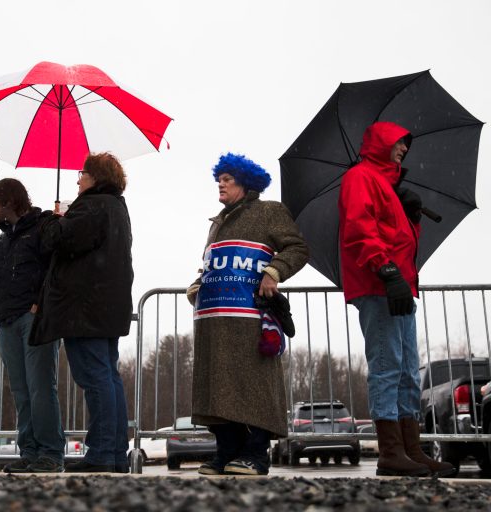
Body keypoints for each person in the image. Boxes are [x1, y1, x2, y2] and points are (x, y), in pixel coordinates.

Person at [338, 121, 456, 477]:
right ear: (381, 142)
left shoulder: (388, 185)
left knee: (407, 369)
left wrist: (412, 215)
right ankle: (391, 452)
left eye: (406, 144)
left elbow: (398, 237)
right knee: (387, 366)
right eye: (398, 143)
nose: (404, 149)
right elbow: (360, 229)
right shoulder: (360, 177)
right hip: (380, 286)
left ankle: (411, 450)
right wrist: (386, 271)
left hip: (400, 287)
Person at [187, 153, 309, 476]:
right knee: (217, 385)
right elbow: (212, 263)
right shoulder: (217, 223)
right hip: (214, 318)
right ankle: (226, 451)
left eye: (227, 179)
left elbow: (297, 248)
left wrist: (274, 271)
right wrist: (198, 284)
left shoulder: (269, 212)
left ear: (246, 183)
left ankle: (256, 454)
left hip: (250, 317)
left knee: (253, 385)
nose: (221, 184)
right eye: (220, 179)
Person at [31, 152, 133, 473]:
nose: (78, 179)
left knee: (95, 378)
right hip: (106, 307)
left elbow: (56, 240)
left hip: (84, 309)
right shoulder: (116, 207)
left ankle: (101, 453)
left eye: (82, 173)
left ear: (96, 177)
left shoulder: (92, 205)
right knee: (108, 377)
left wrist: (52, 218)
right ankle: (115, 453)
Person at [0, 178, 65, 473]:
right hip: (6, 321)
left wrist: (39, 304)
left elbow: (56, 271)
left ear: (8, 201)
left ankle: (51, 453)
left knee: (40, 388)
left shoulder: (42, 230)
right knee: (21, 391)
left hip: (34, 319)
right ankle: (31, 452)